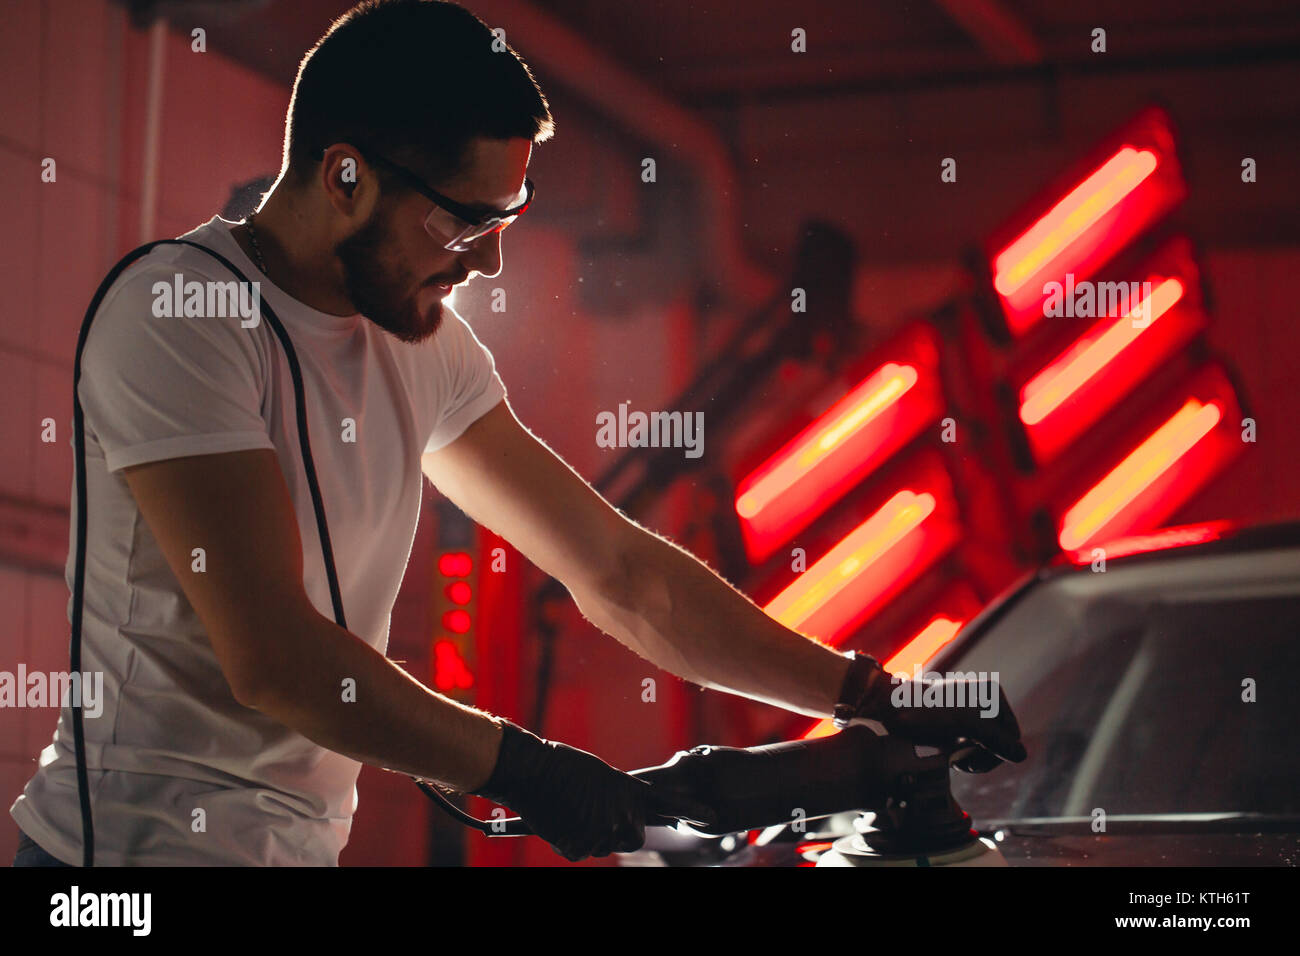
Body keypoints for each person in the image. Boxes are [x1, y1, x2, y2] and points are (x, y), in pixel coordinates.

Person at [11, 0, 1024, 867]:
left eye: (509, 219)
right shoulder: (180, 315)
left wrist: (869, 692)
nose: (489, 263)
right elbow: (274, 656)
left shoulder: (420, 342)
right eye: (464, 223)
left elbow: (622, 571)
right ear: (345, 176)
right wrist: (521, 766)